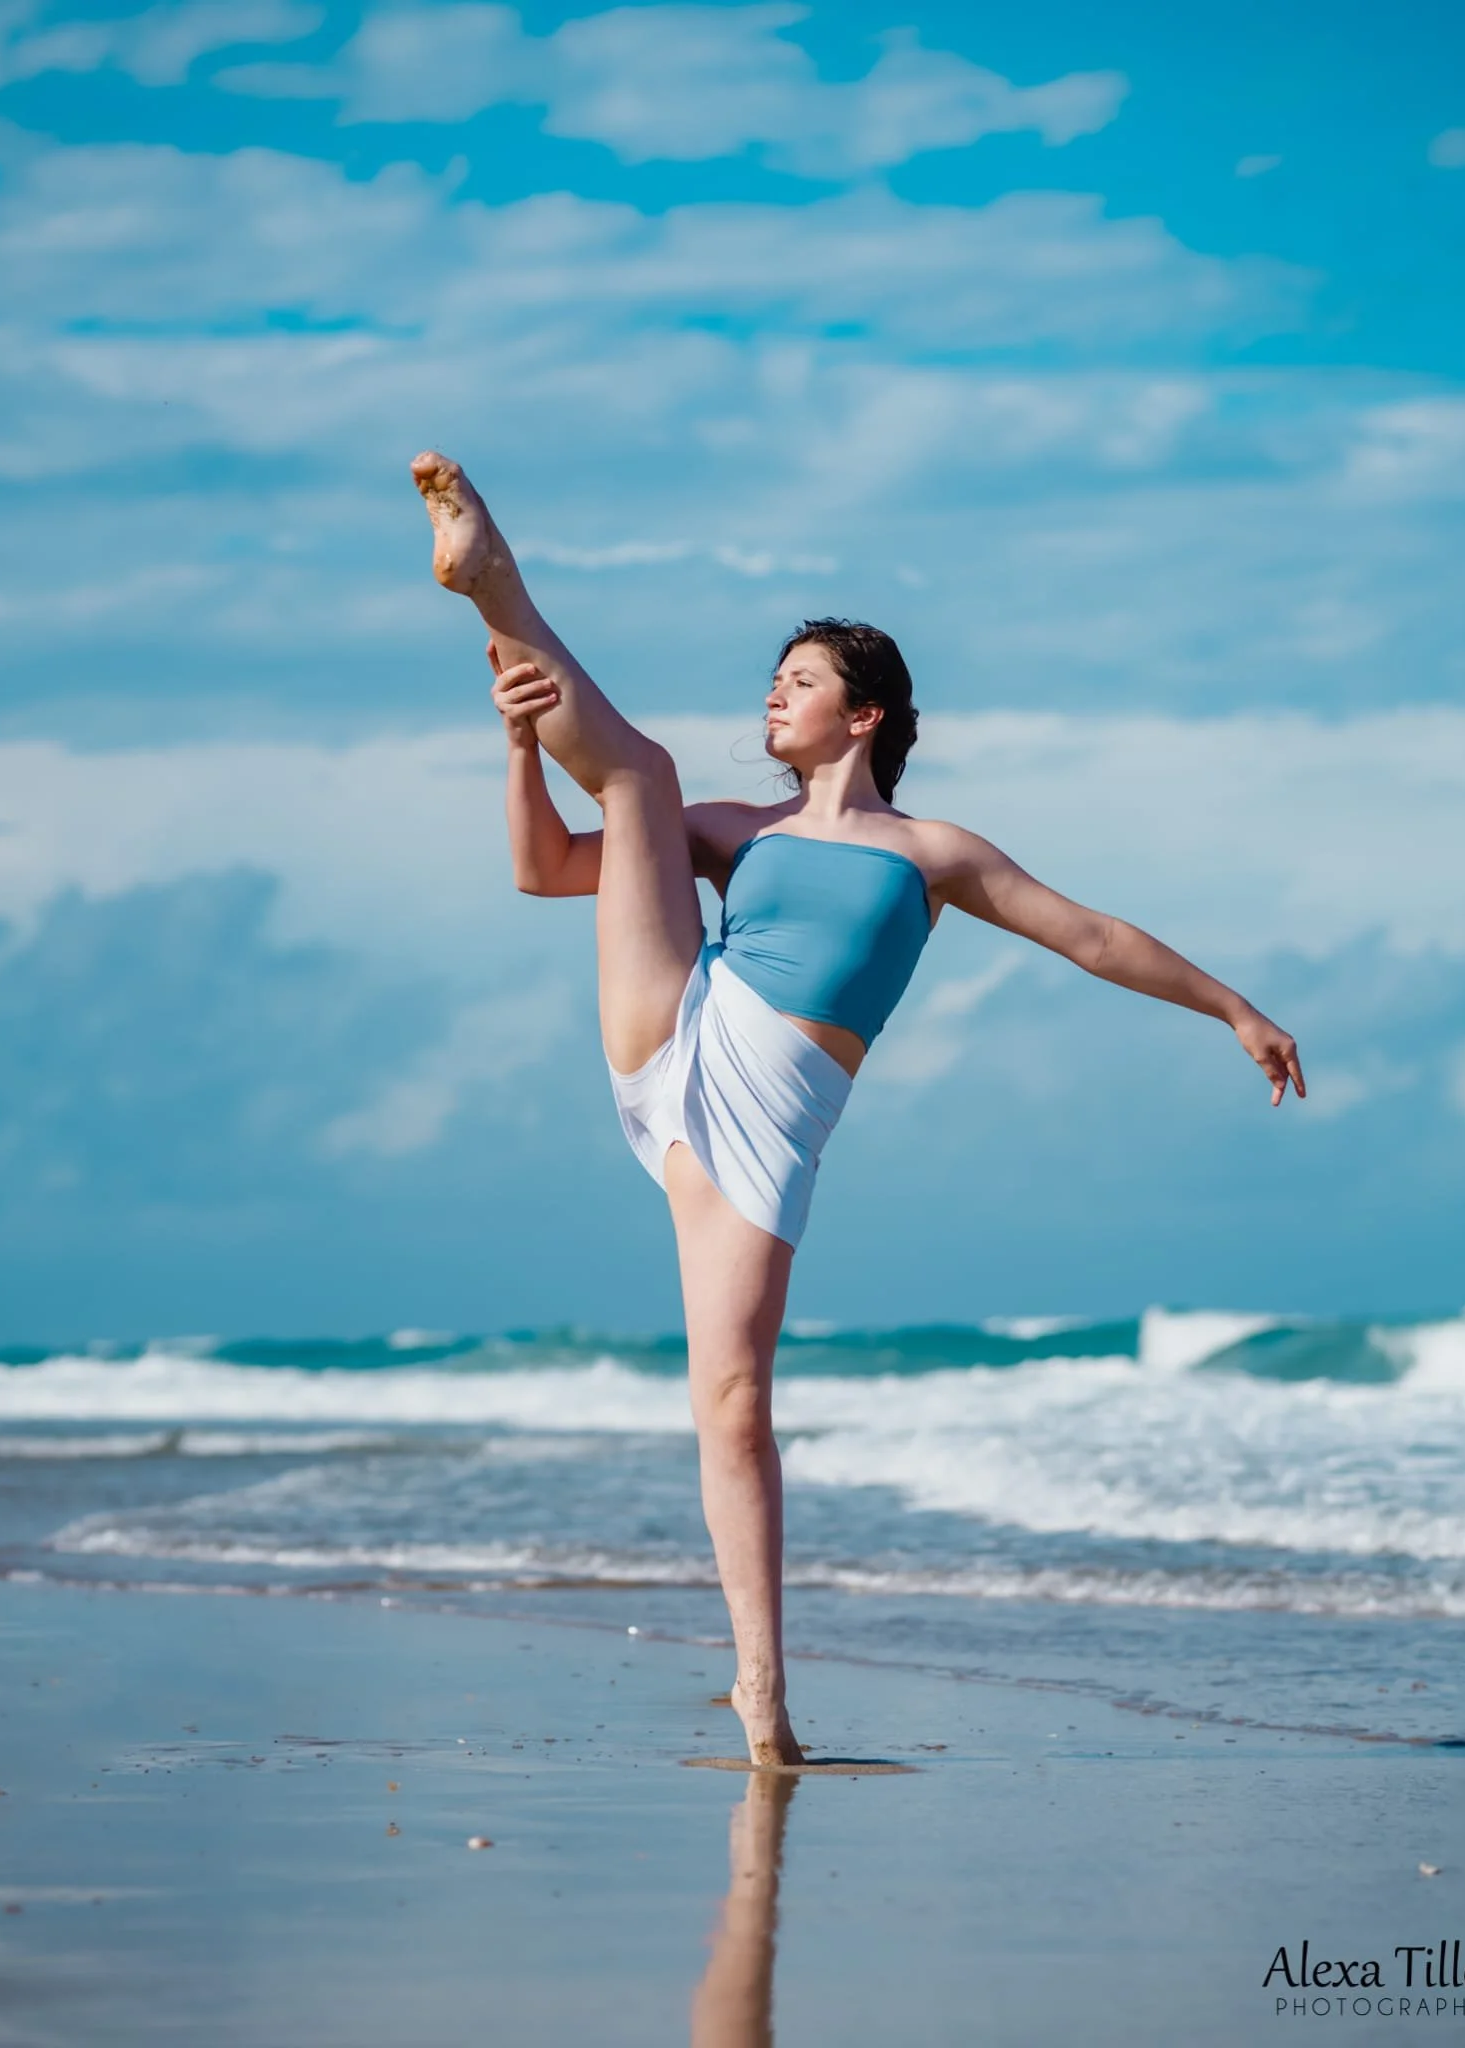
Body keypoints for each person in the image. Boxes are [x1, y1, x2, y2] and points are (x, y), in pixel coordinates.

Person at [410, 451, 1306, 1769]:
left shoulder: (930, 853)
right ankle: (491, 586)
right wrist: (513, 750)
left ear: (866, 715)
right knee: (641, 773)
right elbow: (546, 871)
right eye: (775, 678)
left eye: (803, 680)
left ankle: (760, 1695)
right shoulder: (733, 828)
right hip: (675, 1027)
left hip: (765, 1118)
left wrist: (1231, 1006)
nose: (775, 692)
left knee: (732, 1399)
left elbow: (1094, 938)